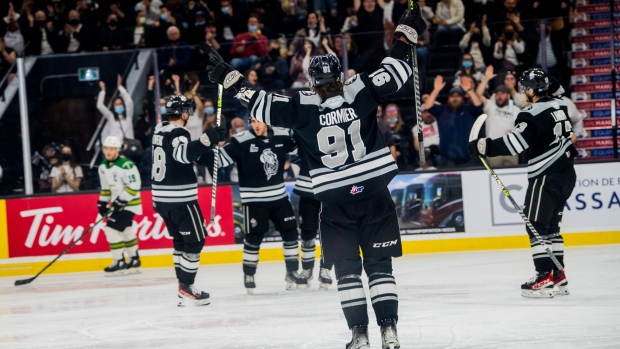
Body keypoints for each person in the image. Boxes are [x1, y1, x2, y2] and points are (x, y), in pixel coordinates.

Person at [203, 4, 426, 348]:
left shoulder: (300, 106)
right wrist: (405, 34)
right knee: (380, 266)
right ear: (339, 76)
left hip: (335, 202)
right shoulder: (360, 88)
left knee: (347, 271)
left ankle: (359, 336)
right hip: (374, 193)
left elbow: (258, 102)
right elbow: (395, 71)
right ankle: (389, 330)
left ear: (312, 81)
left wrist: (228, 77)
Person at [468, 68, 577, 298]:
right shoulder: (560, 104)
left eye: (524, 86)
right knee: (551, 227)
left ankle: (543, 277)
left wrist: (482, 146)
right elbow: (556, 86)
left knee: (536, 225)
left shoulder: (531, 113)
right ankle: (558, 275)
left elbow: (514, 144)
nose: (522, 91)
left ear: (531, 89)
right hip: (567, 174)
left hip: (546, 176)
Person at [199, 118, 305, 293]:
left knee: (291, 235)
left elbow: (303, 147)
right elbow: (217, 160)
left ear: (268, 122)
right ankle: (249, 274)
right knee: (253, 239)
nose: (256, 125)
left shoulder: (282, 135)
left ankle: (292, 272)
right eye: (252, 121)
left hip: (279, 198)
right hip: (254, 202)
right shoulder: (241, 140)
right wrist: (207, 144)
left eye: (259, 122)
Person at [151, 95, 226, 306]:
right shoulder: (179, 131)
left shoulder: (159, 129)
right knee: (196, 240)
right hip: (180, 199)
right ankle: (186, 286)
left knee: (180, 241)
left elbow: (176, 156)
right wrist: (207, 139)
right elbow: (182, 155)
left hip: (161, 198)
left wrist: (202, 152)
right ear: (184, 113)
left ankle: (181, 287)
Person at [97, 136, 142, 276]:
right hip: (118, 204)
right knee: (125, 230)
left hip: (130, 204)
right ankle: (134, 259)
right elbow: (106, 188)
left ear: (117, 150)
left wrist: (121, 200)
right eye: (106, 148)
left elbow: (135, 185)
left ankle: (119, 261)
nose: (108, 152)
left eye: (111, 149)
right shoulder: (103, 166)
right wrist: (102, 202)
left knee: (111, 229)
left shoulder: (126, 165)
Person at [424, 75, 483, 167]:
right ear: (448, 99)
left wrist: (470, 91)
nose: (455, 98)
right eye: (452, 96)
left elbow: (479, 104)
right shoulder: (442, 110)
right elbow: (427, 106)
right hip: (446, 160)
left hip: (469, 159)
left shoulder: (469, 110)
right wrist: (436, 90)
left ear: (463, 99)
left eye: (458, 96)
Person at [476, 66, 522, 167]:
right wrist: (486, 79)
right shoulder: (490, 106)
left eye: (503, 94)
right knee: (496, 180)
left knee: (513, 179)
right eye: (497, 94)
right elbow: (478, 94)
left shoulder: (515, 109)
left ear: (508, 96)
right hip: (493, 152)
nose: (499, 96)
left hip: (511, 151)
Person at [97, 75, 134, 142]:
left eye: (120, 104)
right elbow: (99, 106)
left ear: (123, 105)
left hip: (128, 148)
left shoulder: (128, 115)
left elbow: (129, 102)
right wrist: (103, 91)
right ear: (113, 107)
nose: (118, 106)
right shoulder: (110, 116)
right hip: (116, 148)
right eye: (116, 105)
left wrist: (120, 87)